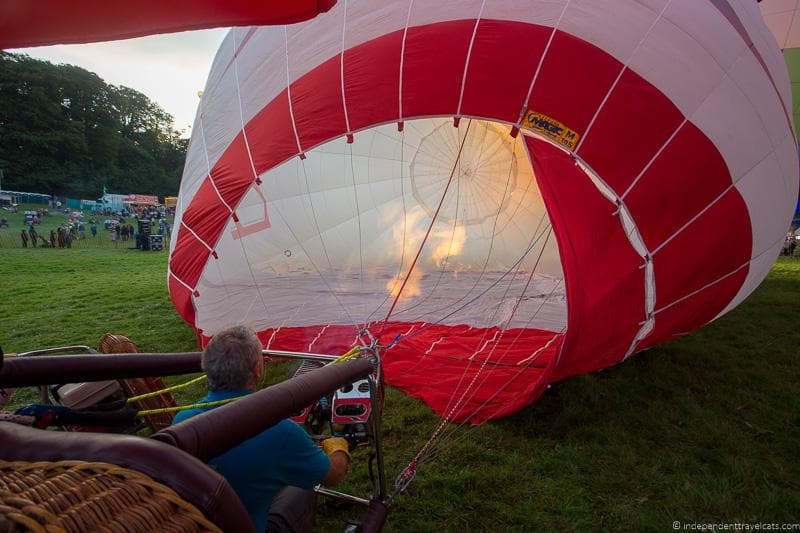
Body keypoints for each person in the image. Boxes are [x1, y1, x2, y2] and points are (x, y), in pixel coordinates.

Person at [172, 326, 351, 532]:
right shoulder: (280, 431)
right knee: (302, 487)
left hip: (200, 525)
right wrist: (339, 445)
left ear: (207, 366)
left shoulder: (182, 420)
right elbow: (334, 475)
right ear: (257, 369)